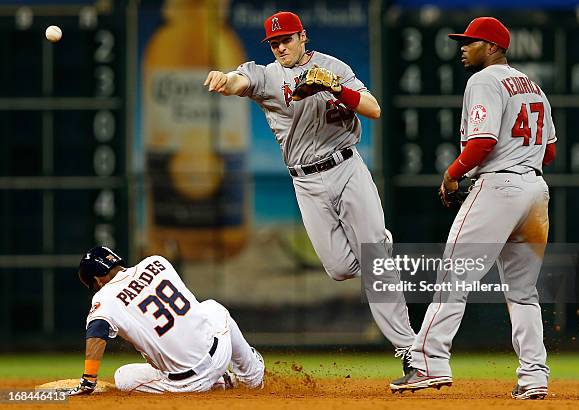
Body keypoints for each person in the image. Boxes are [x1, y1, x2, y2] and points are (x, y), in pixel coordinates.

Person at [204, 11, 416, 371]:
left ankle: (409, 348)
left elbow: (373, 109)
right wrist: (225, 78)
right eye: (274, 42)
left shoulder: (334, 67)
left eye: (286, 39)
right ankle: (380, 240)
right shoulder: (267, 75)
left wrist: (334, 87)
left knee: (375, 261)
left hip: (347, 167)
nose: (280, 46)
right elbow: (240, 81)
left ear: (303, 36)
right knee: (339, 268)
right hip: (305, 181)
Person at [389, 17, 556, 400]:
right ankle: (534, 376)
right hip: (535, 191)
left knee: (453, 277)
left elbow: (482, 140)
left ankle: (428, 363)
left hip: (499, 187)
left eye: (471, 42)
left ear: (494, 47)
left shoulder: (484, 80)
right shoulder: (535, 88)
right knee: (523, 292)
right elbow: (549, 151)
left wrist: (451, 174)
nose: (462, 47)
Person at [65, 246, 265, 395]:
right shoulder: (156, 262)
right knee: (213, 308)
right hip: (219, 354)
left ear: (98, 280)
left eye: (95, 284)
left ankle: (219, 382)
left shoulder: (105, 297)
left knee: (122, 376)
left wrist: (89, 380)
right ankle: (252, 375)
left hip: (186, 384)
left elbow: (97, 330)